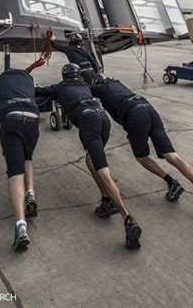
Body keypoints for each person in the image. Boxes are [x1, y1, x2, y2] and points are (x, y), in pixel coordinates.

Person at [81, 69, 193, 220]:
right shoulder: (116, 82)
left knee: (141, 157)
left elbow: (84, 92)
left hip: (135, 115)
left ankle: (170, 181)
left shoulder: (98, 88)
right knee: (172, 155)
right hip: (148, 108)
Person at [36, 63, 143, 250]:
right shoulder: (86, 86)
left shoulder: (60, 87)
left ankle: (127, 218)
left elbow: (40, 91)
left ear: (64, 75)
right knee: (90, 160)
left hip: (88, 120)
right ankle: (106, 200)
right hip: (103, 118)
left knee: (103, 169)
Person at [0, 67, 40, 252]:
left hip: (11, 119)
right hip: (32, 119)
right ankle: (31, 193)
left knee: (15, 173)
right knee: (28, 157)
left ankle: (21, 226)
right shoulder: (28, 79)